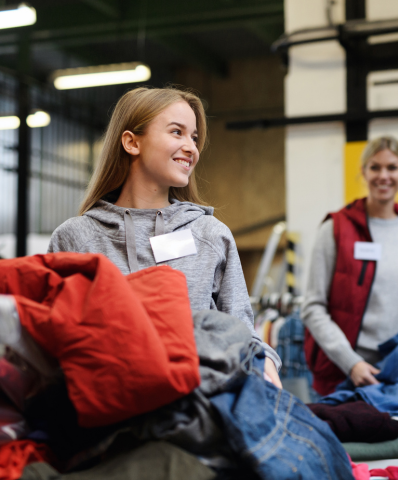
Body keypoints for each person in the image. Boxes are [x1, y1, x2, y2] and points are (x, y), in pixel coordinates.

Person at [48, 86, 282, 387]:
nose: (191, 148)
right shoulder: (75, 239)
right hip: (108, 410)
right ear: (132, 142)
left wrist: (265, 364)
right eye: (177, 132)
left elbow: (241, 331)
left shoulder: (210, 234)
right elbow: (56, 338)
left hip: (199, 408)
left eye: (194, 137)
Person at [302, 136, 398, 396]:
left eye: (392, 167)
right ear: (363, 171)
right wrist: (352, 363)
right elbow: (313, 308)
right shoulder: (336, 229)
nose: (383, 175)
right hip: (345, 376)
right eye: (375, 167)